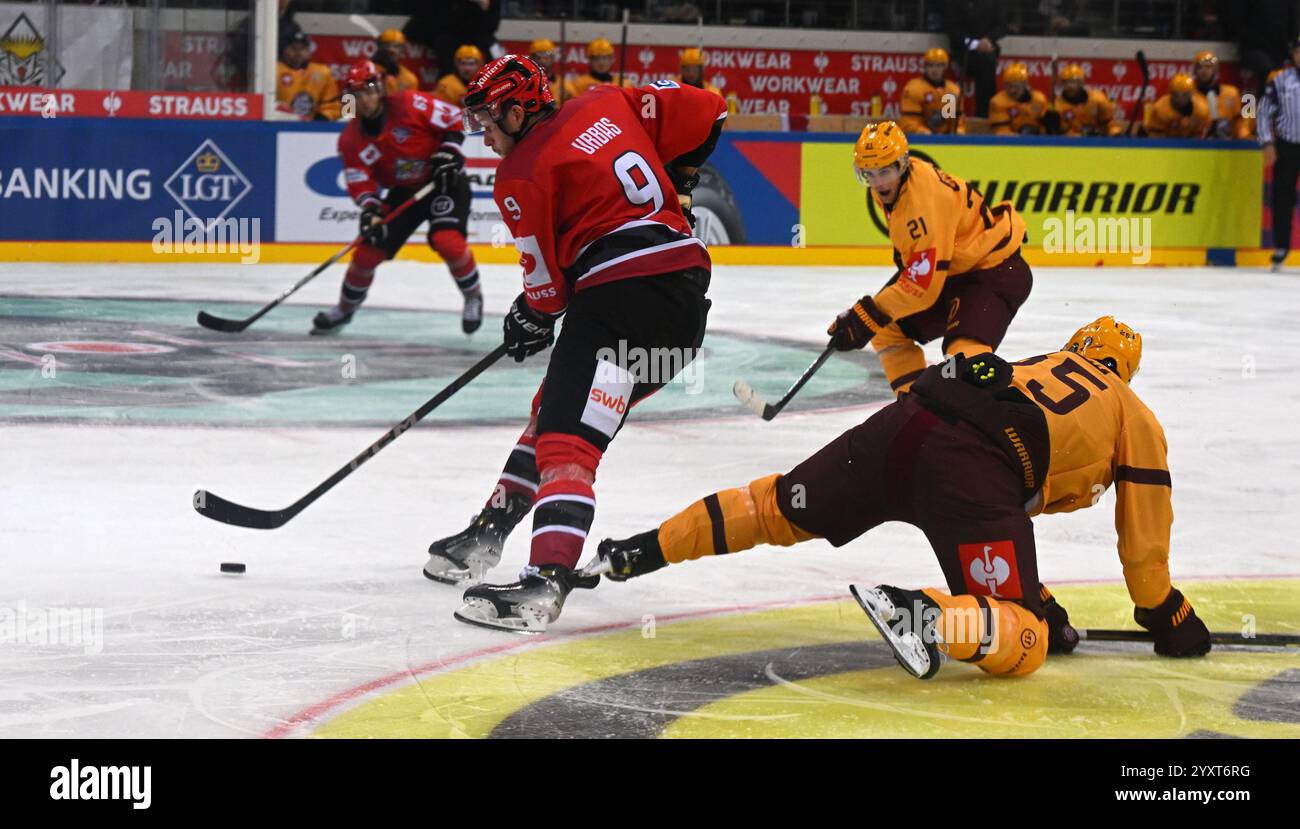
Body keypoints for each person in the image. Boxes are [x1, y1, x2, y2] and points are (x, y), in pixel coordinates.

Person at [596, 319, 1212, 680]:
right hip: (973, 471)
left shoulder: (1034, 362)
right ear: (1125, 371)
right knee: (1026, 643)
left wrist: (1036, 591)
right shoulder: (1134, 414)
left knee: (777, 506)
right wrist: (1168, 618)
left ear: (1076, 347)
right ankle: (923, 615)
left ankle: (641, 550)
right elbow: (1144, 548)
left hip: (909, 423)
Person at [427, 56, 727, 633]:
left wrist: (529, 317)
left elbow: (547, 291)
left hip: (619, 302)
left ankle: (546, 580)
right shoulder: (607, 101)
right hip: (682, 310)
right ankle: (487, 534)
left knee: (567, 442)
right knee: (560, 415)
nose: (483, 133)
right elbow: (710, 111)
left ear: (519, 111)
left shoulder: (520, 172)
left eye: (489, 119)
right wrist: (682, 185)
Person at [833, 121, 1030, 397]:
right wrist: (871, 317)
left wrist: (868, 314)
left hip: (992, 270)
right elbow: (920, 264)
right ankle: (915, 407)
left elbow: (923, 290)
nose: (877, 182)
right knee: (886, 330)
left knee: (962, 352)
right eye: (869, 174)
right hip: (954, 271)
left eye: (884, 172)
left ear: (902, 164)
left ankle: (997, 414)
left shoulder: (922, 204)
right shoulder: (896, 187)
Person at [314, 61, 482, 336]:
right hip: (404, 193)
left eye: (368, 92)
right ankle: (344, 310)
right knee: (368, 251)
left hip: (443, 183)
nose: (364, 100)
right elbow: (360, 179)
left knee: (447, 242)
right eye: (356, 95)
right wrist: (370, 208)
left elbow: (456, 118)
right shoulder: (351, 139)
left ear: (379, 89)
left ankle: (473, 297)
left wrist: (450, 149)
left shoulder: (409, 103)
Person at [1260, 37, 1300, 270]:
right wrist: (1267, 142)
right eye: (1298, 51)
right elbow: (1263, 112)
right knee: (1282, 198)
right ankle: (1281, 247)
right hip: (1287, 145)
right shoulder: (1280, 80)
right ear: (1292, 55)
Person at [275, 24, 340, 121]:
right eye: (293, 48)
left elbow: (332, 105)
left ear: (309, 51)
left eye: (303, 48)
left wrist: (322, 119)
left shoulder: (323, 72)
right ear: (284, 50)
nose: (298, 53)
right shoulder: (274, 70)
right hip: (280, 123)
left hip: (313, 127)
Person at [899, 47, 965, 135]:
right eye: (931, 65)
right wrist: (928, 134)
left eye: (939, 65)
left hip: (946, 140)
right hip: (920, 139)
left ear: (945, 66)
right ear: (925, 66)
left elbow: (957, 121)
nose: (935, 69)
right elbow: (909, 122)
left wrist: (958, 133)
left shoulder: (953, 90)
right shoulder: (914, 88)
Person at [1193, 50, 1251, 139]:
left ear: (1215, 70)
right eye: (1200, 67)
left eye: (1208, 67)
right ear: (1195, 71)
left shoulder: (1231, 93)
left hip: (1227, 145)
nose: (1203, 71)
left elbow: (1239, 122)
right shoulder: (1191, 97)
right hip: (1199, 145)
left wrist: (1244, 136)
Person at [1053, 63, 1121, 136]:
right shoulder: (1057, 105)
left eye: (1073, 82)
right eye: (1066, 82)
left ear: (1081, 83)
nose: (1069, 86)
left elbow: (1109, 122)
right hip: (1073, 143)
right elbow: (1063, 132)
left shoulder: (1097, 98)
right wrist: (1080, 136)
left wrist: (1114, 133)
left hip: (1098, 141)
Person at [1144, 73, 1211, 138]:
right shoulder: (1159, 109)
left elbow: (1207, 131)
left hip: (1194, 145)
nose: (1180, 99)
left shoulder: (1202, 109)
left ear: (1192, 93)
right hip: (1167, 145)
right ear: (1170, 93)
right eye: (1176, 94)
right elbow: (1152, 133)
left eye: (1185, 94)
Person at [988, 62, 1048, 135]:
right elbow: (1001, 131)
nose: (1012, 90)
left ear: (1025, 84)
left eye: (1016, 86)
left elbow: (1044, 129)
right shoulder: (997, 102)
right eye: (1009, 86)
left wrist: (1049, 121)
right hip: (1010, 143)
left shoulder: (1038, 99)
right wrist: (1022, 138)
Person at [570, 38, 634, 96]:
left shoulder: (623, 83)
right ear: (590, 60)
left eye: (605, 58)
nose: (601, 62)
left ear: (612, 59)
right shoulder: (579, 83)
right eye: (596, 58)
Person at [529, 38, 576, 106]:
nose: (542, 61)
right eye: (538, 57)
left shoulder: (565, 85)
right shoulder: (524, 83)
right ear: (531, 59)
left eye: (546, 57)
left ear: (553, 58)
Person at [373, 29, 420, 95]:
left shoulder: (409, 78)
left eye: (396, 46)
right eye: (386, 45)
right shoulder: (368, 71)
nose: (391, 49)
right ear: (379, 47)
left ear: (402, 50)